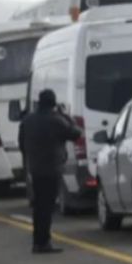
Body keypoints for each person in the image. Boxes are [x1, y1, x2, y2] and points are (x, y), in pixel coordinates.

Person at [19, 89, 81, 254]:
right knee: (47, 207)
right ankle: (44, 242)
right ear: (53, 103)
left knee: (39, 207)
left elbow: (21, 144)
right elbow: (76, 133)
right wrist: (66, 115)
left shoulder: (28, 120)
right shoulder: (56, 120)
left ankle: (37, 242)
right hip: (52, 169)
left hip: (35, 168)